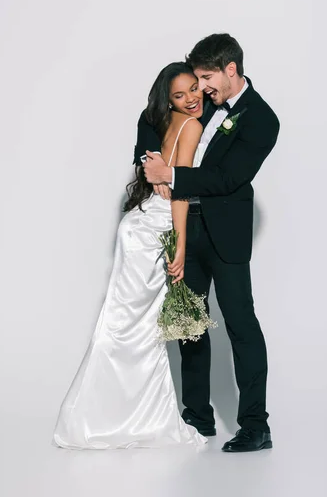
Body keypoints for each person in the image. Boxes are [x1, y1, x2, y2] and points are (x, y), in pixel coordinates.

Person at [53, 62, 207, 449]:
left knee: (123, 322)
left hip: (135, 226)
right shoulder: (192, 127)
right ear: (168, 99)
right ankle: (128, 417)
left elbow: (158, 171)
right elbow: (181, 191)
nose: (191, 99)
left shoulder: (164, 120)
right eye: (180, 95)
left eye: (194, 89)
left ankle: (98, 413)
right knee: (137, 329)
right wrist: (182, 246)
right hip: (154, 230)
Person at [143, 33, 280, 452]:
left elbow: (229, 178)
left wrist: (172, 176)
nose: (201, 87)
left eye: (207, 77)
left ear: (231, 69)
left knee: (241, 326)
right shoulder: (205, 104)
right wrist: (150, 159)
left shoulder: (261, 119)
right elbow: (155, 120)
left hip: (227, 235)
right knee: (190, 325)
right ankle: (196, 416)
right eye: (198, 78)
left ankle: (256, 426)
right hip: (186, 225)